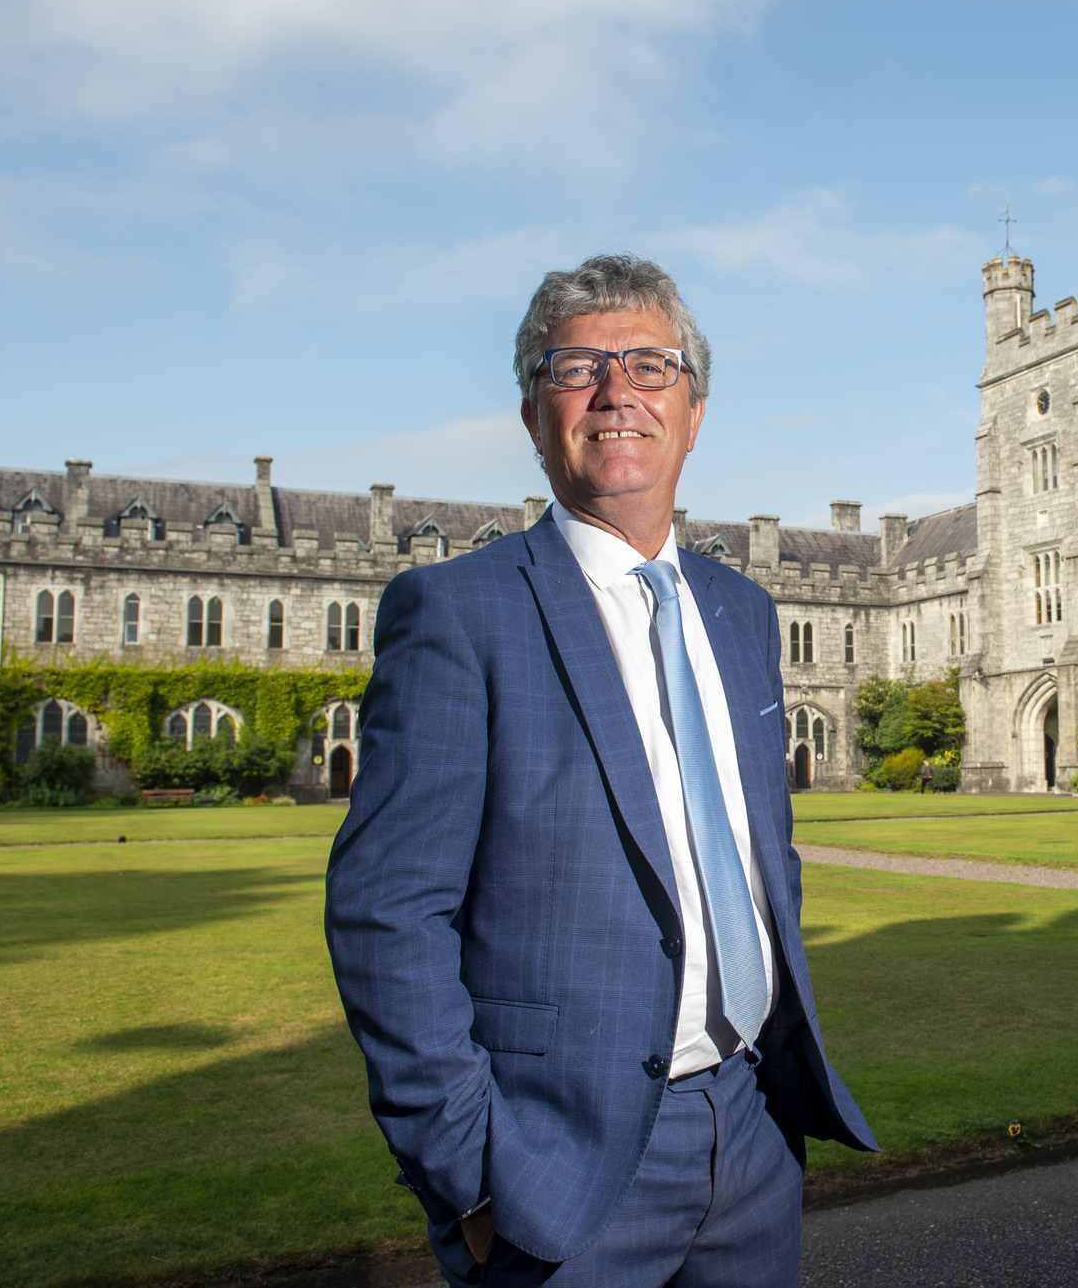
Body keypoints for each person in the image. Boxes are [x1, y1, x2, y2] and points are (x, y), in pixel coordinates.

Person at [326, 255, 875, 1288]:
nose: (617, 390)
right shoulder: (458, 611)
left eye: (650, 365)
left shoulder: (742, 612)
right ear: (535, 416)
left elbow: (763, 853)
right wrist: (470, 1176)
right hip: (563, 1169)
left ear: (693, 411)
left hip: (752, 1126)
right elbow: (385, 911)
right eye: (577, 368)